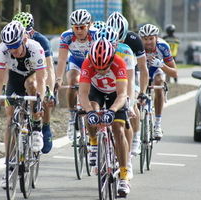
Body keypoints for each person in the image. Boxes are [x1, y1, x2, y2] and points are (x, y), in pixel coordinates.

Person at [0, 20, 46, 188]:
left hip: (32, 77)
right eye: (9, 46)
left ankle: (36, 126)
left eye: (16, 45)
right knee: (10, 119)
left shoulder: (35, 49)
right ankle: (9, 165)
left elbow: (42, 81)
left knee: (32, 86)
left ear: (24, 40)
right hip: (14, 78)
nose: (13, 50)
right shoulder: (3, 49)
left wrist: (39, 103)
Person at [78, 38, 131, 196]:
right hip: (97, 92)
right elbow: (82, 94)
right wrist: (90, 112)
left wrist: (112, 110)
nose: (101, 71)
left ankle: (124, 176)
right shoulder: (87, 63)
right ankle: (94, 144)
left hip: (115, 94)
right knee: (92, 112)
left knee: (118, 129)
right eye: (97, 68)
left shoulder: (119, 63)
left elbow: (122, 94)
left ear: (112, 59)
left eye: (104, 67)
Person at [106, 12, 149, 180]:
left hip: (132, 71)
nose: (117, 43)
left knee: (133, 103)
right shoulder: (104, 36)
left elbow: (143, 70)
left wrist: (142, 92)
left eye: (120, 39)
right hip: (110, 70)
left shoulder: (134, 40)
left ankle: (135, 138)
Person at [12, 12, 55, 154]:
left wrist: (50, 91)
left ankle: (45, 127)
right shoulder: (13, 42)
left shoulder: (41, 42)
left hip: (37, 71)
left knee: (44, 93)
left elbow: (49, 69)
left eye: (25, 32)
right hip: (20, 72)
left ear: (32, 31)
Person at [55, 9, 97, 140]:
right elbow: (62, 59)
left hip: (92, 63)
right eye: (75, 27)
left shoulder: (96, 34)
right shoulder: (66, 36)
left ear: (89, 25)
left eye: (82, 27)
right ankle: (71, 117)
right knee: (73, 82)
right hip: (76, 62)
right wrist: (58, 79)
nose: (79, 31)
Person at [138, 23, 178, 140]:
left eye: (151, 38)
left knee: (160, 83)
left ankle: (158, 125)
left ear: (156, 37)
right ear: (141, 39)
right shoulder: (137, 46)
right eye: (145, 39)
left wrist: (161, 65)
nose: (148, 42)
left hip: (156, 70)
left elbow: (174, 73)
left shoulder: (163, 46)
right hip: (141, 70)